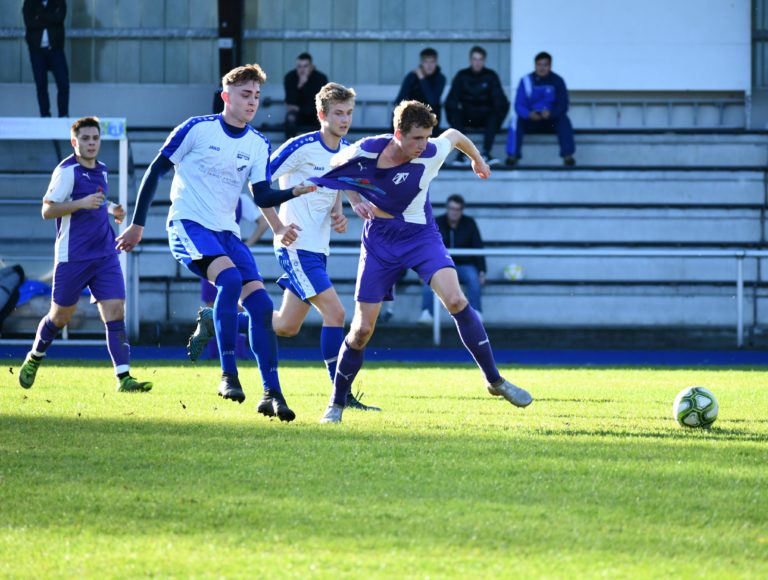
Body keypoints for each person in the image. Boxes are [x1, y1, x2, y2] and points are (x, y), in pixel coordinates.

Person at [310, 100, 533, 423]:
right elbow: (338, 175)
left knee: (456, 299)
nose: (423, 145)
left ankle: (494, 380)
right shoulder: (365, 150)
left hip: (420, 236)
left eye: (427, 137)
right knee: (361, 331)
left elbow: (454, 135)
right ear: (397, 133)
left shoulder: (431, 151)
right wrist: (354, 201)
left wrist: (478, 160)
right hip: (380, 242)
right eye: (416, 138)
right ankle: (336, 403)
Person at [116, 64, 316, 422]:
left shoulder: (257, 144)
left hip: (228, 233)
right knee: (230, 281)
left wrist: (288, 203)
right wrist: (137, 225)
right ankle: (228, 374)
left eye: (256, 96)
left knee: (260, 308)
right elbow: (155, 171)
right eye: (245, 94)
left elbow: (263, 193)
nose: (252, 102)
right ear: (226, 96)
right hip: (189, 224)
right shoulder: (196, 128)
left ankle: (272, 393)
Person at [187, 82, 381, 412]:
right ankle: (342, 396)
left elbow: (338, 182)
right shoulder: (301, 146)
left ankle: (219, 319)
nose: (345, 119)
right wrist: (277, 226)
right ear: (322, 114)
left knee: (285, 326)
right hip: (297, 246)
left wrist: (340, 210)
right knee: (336, 313)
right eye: (338, 113)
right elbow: (259, 184)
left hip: (318, 249)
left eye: (349, 113)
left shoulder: (345, 150)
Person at [17, 117, 151, 392]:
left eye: (95, 138)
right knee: (60, 317)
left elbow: (97, 201)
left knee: (115, 310)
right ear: (74, 141)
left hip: (104, 254)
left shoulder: (101, 169)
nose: (91, 143)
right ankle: (35, 356)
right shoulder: (67, 171)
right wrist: (80, 203)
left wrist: (113, 209)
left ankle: (124, 377)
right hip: (73, 256)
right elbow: (47, 210)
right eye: (85, 138)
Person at [420, 193, 485, 324]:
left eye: (457, 209)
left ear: (462, 210)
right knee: (429, 280)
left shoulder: (470, 223)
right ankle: (427, 312)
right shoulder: (436, 222)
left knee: (473, 278)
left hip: (464, 265)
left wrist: (482, 271)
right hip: (441, 266)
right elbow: (427, 247)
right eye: (451, 208)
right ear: (447, 208)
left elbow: (478, 246)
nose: (453, 212)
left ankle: (476, 313)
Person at [506, 51, 576, 166]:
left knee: (564, 120)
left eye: (545, 65)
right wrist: (529, 114)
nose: (542, 68)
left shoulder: (558, 81)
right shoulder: (526, 81)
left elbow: (563, 105)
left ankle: (567, 156)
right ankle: (513, 156)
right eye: (539, 64)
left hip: (551, 121)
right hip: (531, 121)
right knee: (515, 121)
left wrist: (551, 113)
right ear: (535, 65)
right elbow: (518, 105)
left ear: (550, 66)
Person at [445, 46, 509, 166]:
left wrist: (498, 118)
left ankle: (486, 154)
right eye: (475, 59)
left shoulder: (491, 76)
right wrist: (453, 117)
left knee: (494, 114)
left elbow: (501, 101)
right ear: (470, 60)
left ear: (484, 61)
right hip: (467, 116)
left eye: (480, 59)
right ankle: (461, 155)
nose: (477, 62)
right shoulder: (462, 76)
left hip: (485, 117)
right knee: (455, 113)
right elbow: (451, 100)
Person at [23, 0, 69, 118]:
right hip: (37, 51)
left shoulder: (58, 2)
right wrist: (50, 19)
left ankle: (63, 114)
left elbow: (60, 18)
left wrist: (40, 16)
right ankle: (45, 115)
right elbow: (29, 23)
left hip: (55, 49)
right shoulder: (30, 2)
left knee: (63, 83)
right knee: (41, 85)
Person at [394, 47, 447, 128]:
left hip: (430, 116)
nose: (429, 66)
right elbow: (400, 98)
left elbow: (432, 100)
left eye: (432, 62)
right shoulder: (412, 77)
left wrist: (422, 79)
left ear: (436, 63)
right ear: (421, 63)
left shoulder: (440, 78)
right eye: (426, 62)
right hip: (412, 115)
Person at [284, 53, 328, 140]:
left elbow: (321, 102)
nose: (302, 69)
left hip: (315, 114)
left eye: (305, 66)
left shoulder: (320, 78)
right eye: (299, 66)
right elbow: (290, 102)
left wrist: (300, 108)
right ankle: (289, 147)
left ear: (311, 66)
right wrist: (300, 85)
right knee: (290, 118)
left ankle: (322, 147)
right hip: (298, 115)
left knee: (324, 118)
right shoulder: (290, 77)